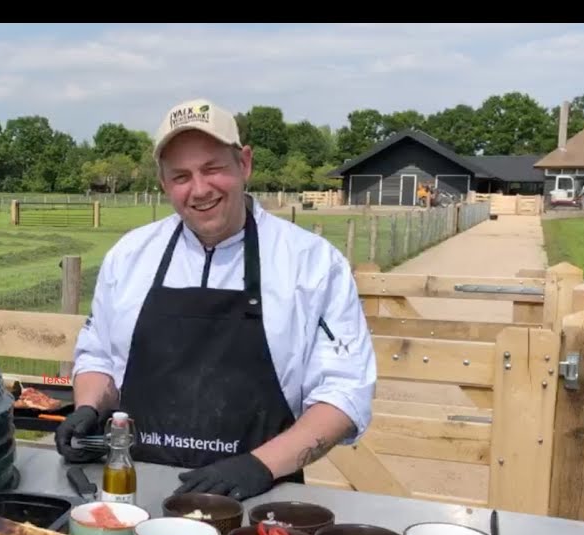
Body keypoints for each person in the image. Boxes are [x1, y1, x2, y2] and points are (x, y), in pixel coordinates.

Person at [54, 98, 376, 501]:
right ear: (163, 183)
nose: (200, 189)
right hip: (134, 491)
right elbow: (99, 356)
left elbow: (345, 393)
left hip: (259, 501)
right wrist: (88, 407)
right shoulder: (130, 256)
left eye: (213, 169)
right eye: (181, 176)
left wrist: (261, 465)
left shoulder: (312, 264)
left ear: (244, 164)